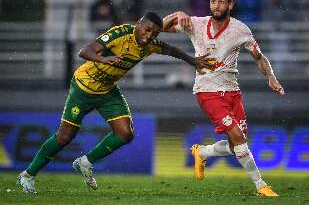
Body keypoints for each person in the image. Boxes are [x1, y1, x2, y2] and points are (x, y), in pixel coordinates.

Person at [17, 12, 212, 194]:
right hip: (83, 87)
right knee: (64, 137)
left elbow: (171, 50)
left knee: (125, 134)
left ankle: (85, 162)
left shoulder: (150, 43)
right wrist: (104, 59)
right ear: (138, 25)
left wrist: (193, 61)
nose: (150, 35)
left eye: (154, 33)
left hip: (107, 90)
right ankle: (27, 175)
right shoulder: (120, 34)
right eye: (147, 30)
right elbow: (84, 51)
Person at [163, 0, 285, 197]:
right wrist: (176, 14)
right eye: (213, 1)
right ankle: (260, 185)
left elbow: (259, 57)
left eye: (221, 2)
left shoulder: (241, 30)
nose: (216, 6)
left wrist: (271, 76)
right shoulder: (196, 23)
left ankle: (202, 152)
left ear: (230, 5)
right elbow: (160, 27)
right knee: (238, 137)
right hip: (207, 90)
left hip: (232, 91)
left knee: (238, 142)